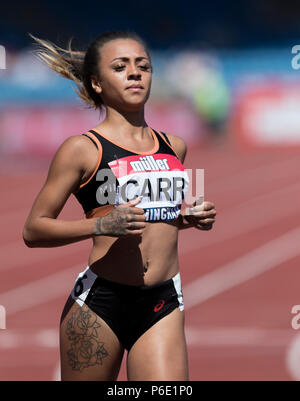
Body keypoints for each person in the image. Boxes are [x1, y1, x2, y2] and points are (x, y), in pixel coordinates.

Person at [23, 31, 217, 381]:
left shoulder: (174, 146)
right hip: (101, 304)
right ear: (96, 83)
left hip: (162, 300)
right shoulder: (82, 149)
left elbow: (158, 215)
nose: (135, 73)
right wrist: (101, 226)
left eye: (143, 66)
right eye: (120, 66)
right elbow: (34, 229)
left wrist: (189, 216)